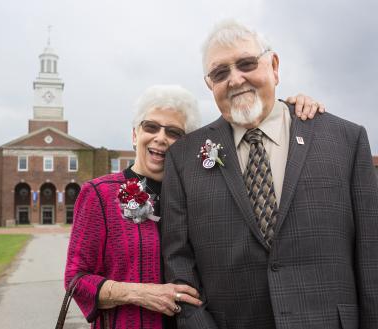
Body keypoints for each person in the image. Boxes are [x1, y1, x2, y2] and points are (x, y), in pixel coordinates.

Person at [161, 20, 378, 329]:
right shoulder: (183, 158)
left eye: (247, 63)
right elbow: (178, 261)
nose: (235, 79)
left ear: (274, 66)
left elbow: (371, 256)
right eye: (220, 73)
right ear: (210, 85)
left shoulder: (345, 139)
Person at [64, 85, 325, 329]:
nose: (160, 138)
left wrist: (288, 111)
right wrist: (140, 293)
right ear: (135, 134)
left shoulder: (202, 191)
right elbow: (75, 281)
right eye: (151, 127)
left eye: (173, 132)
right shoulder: (98, 194)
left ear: (187, 144)